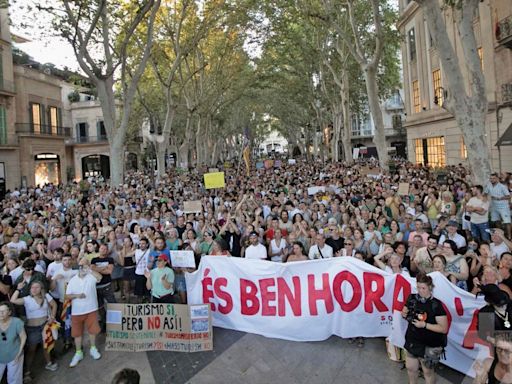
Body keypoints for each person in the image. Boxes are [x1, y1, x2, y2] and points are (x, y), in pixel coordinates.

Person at [402, 273, 448, 384]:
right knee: (411, 368)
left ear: (430, 288)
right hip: (413, 340)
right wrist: (404, 313)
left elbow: (443, 328)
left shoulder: (436, 305)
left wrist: (425, 325)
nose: (420, 290)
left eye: (423, 288)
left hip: (431, 344)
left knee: (427, 372)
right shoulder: (412, 298)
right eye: (418, 287)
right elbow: (404, 311)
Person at [10, 281, 58, 380]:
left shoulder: (46, 296)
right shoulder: (27, 299)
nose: (34, 289)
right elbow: (13, 300)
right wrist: (18, 289)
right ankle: (27, 371)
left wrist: (52, 316)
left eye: (37, 287)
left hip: (45, 325)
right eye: (32, 287)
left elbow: (54, 305)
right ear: (30, 289)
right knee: (32, 350)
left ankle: (48, 363)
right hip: (32, 328)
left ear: (41, 289)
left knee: (46, 346)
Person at [65, 258, 103, 368]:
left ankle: (93, 348)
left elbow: (100, 277)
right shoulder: (73, 280)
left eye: (84, 266)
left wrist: (90, 270)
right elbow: (67, 295)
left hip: (91, 309)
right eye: (80, 266)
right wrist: (77, 296)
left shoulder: (91, 277)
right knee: (77, 333)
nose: (82, 268)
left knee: (92, 331)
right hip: (77, 311)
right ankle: (78, 353)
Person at [0, 301, 26, 384]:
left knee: (14, 380)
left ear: (10, 312)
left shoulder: (16, 322)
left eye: (4, 311)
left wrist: (19, 353)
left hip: (15, 354)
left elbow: (23, 337)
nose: (1, 313)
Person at [486, 172, 511, 239]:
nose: (492, 180)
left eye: (493, 178)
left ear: (497, 179)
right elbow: (485, 194)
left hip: (503, 207)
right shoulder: (489, 185)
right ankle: (500, 235)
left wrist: (499, 198)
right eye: (491, 178)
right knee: (496, 221)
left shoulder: (502, 186)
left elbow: (508, 196)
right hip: (494, 206)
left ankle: (509, 237)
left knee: (507, 222)